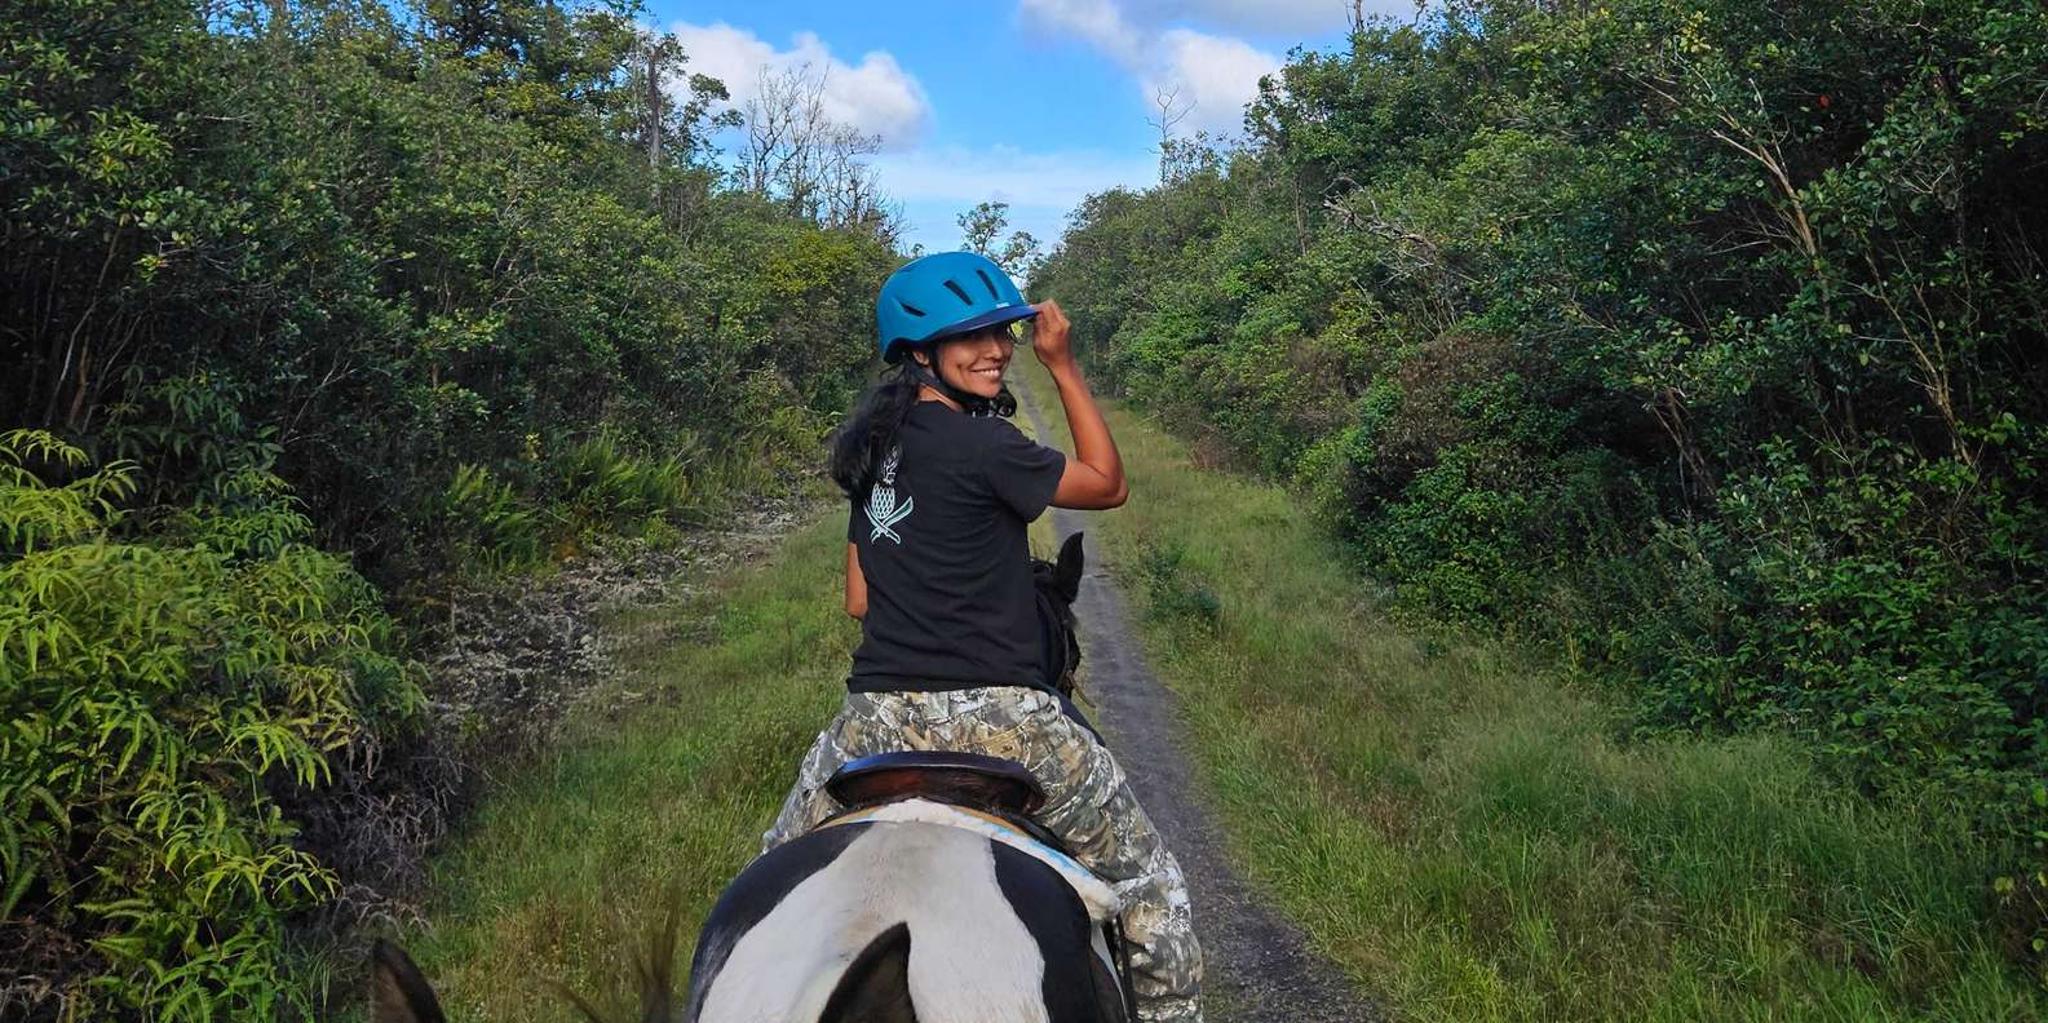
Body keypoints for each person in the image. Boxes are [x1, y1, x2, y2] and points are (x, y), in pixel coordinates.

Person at [761, 251, 1204, 1022]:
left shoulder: (872, 454)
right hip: (1007, 724)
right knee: (1151, 889)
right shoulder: (989, 445)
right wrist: (1062, 365)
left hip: (871, 720)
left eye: (1004, 332)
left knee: (767, 881)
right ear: (923, 353)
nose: (998, 349)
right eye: (972, 337)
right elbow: (1108, 483)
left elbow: (859, 597)